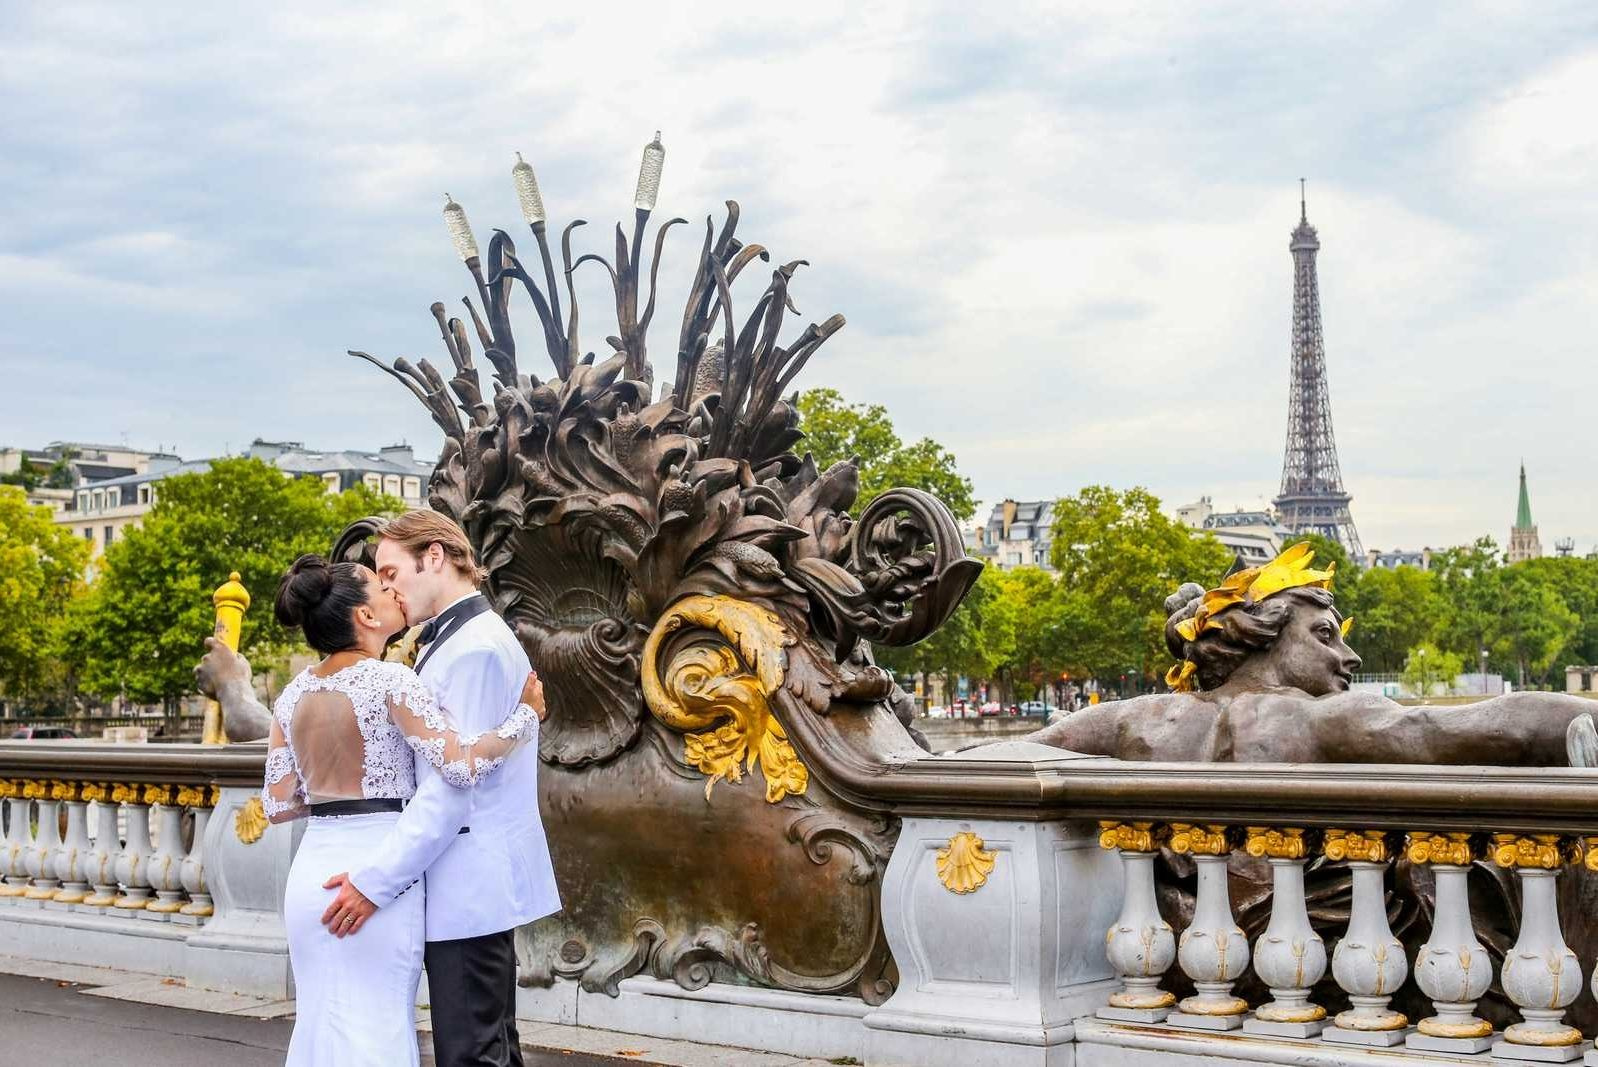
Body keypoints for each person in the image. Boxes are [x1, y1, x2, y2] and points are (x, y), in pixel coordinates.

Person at [264, 553, 544, 1066]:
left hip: (312, 875)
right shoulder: (393, 682)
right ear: (365, 617)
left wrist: (334, 780)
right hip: (375, 871)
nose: (393, 592)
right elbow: (459, 767)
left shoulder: (290, 696)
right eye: (380, 584)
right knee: (376, 1029)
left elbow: (279, 803)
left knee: (319, 1027)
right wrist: (524, 717)